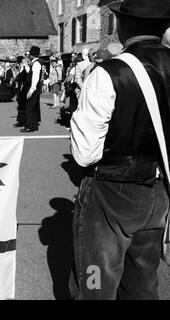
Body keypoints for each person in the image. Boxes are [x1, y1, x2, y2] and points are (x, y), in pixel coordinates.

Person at [70, 0, 170, 300]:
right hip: (158, 189)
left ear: (123, 26)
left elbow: (84, 153)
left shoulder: (108, 72)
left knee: (95, 277)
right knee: (142, 277)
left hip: (112, 191)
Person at [22, 46, 43, 133]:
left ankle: (30, 126)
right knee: (32, 107)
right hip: (33, 87)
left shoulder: (36, 64)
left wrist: (31, 90)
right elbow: (30, 73)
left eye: (30, 54)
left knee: (29, 107)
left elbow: (35, 78)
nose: (29, 56)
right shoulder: (35, 63)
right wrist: (26, 65)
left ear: (32, 55)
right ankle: (33, 124)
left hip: (33, 88)